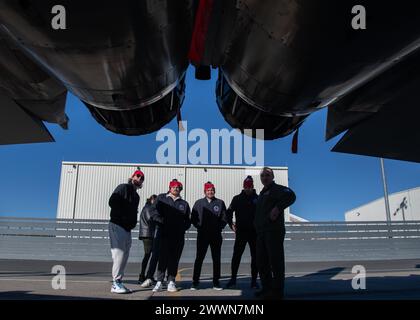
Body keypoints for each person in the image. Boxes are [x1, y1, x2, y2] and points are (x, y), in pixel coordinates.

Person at [254, 167, 296, 300]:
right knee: (262, 262)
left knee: (275, 261)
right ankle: (266, 288)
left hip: (273, 231)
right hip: (261, 232)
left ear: (272, 177)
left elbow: (291, 195)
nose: (265, 178)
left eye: (267, 175)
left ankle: (277, 291)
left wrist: (278, 208)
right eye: (262, 176)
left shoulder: (277, 189)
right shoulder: (262, 193)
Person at [108, 169, 144, 294]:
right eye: (138, 176)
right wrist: (122, 216)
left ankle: (119, 282)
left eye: (142, 178)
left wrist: (131, 223)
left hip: (127, 229)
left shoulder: (137, 196)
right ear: (132, 177)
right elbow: (112, 201)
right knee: (118, 254)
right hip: (117, 224)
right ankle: (115, 283)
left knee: (124, 256)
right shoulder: (123, 187)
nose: (139, 179)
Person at [152, 179, 191, 293]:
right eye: (173, 186)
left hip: (178, 236)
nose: (176, 188)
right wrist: (162, 222)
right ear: (169, 188)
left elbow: (188, 220)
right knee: (162, 258)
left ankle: (171, 281)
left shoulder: (184, 204)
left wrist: (182, 228)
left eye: (178, 187)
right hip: (163, 234)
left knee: (174, 259)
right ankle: (159, 281)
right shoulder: (162, 199)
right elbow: (154, 213)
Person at [191, 181, 227, 291]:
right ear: (205, 191)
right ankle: (195, 282)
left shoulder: (220, 203)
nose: (210, 192)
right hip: (202, 235)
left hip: (216, 235)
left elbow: (224, 218)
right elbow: (193, 217)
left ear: (214, 191)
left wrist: (219, 227)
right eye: (208, 190)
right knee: (199, 258)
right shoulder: (199, 203)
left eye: (211, 190)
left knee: (216, 259)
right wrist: (199, 227)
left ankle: (216, 282)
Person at [226, 176, 259, 289]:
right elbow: (229, 212)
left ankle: (254, 281)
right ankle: (233, 279)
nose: (248, 188)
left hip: (254, 233)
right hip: (241, 232)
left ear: (253, 186)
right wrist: (231, 224)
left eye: (249, 186)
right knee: (236, 256)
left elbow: (263, 214)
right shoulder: (237, 199)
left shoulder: (258, 199)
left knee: (255, 257)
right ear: (243, 186)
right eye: (246, 186)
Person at [138, 194, 158, 284]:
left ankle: (148, 276)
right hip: (148, 234)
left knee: (150, 255)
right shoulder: (148, 208)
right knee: (148, 255)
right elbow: (151, 219)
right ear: (151, 200)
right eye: (155, 200)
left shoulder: (148, 207)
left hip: (148, 234)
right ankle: (143, 276)